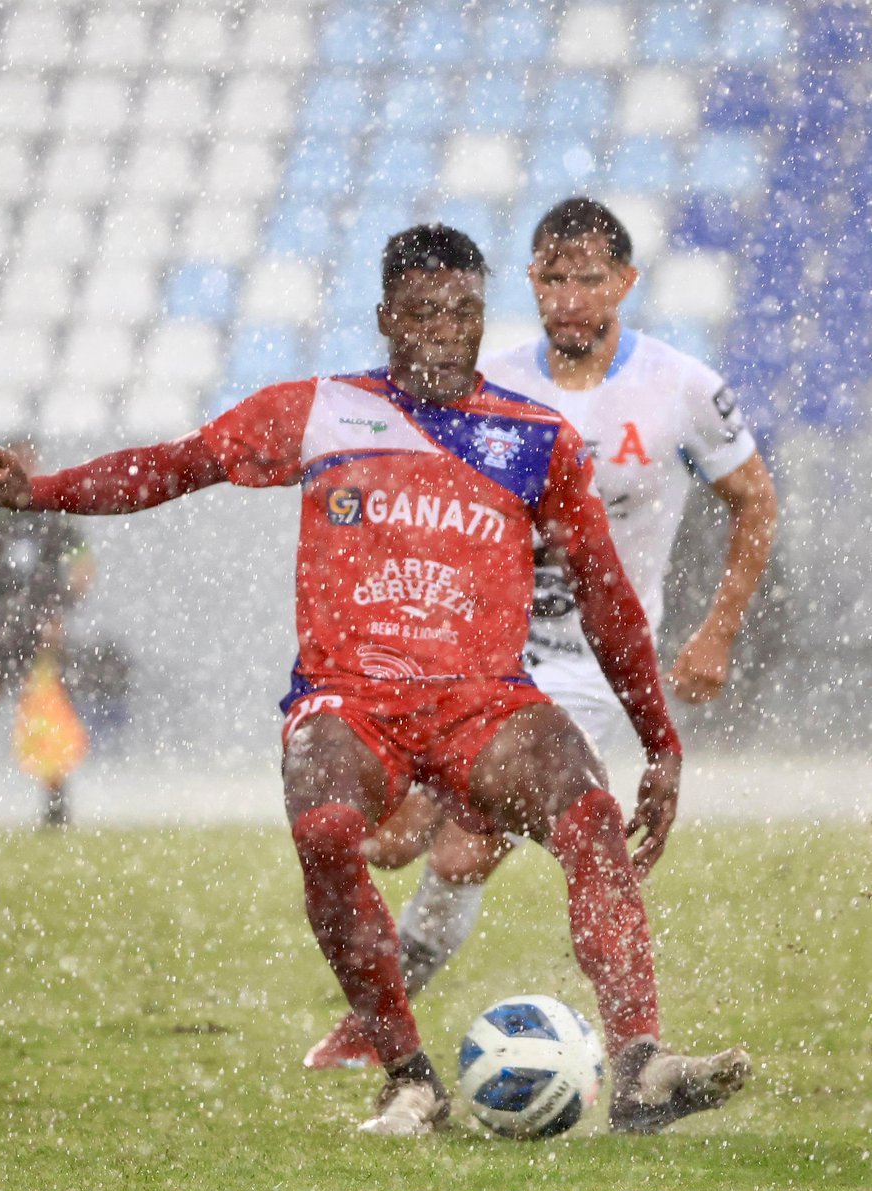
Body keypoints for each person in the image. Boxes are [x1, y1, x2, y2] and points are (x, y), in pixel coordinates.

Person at [0, 224, 750, 1136]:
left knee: (585, 813)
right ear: (385, 319)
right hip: (349, 698)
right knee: (329, 829)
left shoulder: (537, 438)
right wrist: (47, 489)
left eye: (462, 313)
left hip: (483, 701)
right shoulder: (317, 409)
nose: (445, 331)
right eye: (423, 313)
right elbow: (179, 465)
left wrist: (658, 741)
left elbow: (607, 599)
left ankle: (643, 1065)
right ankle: (408, 1077)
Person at [306, 199, 779, 1077]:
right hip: (475, 652)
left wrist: (717, 629)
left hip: (585, 668)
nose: (568, 296)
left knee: (459, 846)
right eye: (552, 277)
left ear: (625, 284)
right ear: (529, 282)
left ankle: (373, 1035)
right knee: (397, 838)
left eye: (588, 277)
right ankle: (377, 1015)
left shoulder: (680, 387)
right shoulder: (488, 380)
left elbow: (753, 499)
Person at [0, 437, 94, 828]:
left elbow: (82, 564)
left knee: (43, 713)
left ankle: (56, 806)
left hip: (39, 629)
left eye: (27, 458)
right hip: (2, 628)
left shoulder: (55, 510)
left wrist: (58, 612)